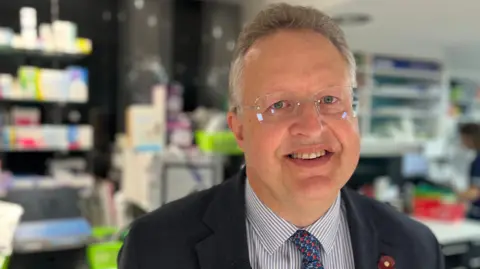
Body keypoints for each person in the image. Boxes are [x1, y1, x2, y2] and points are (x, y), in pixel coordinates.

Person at [118, 3, 444, 269]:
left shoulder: (416, 249)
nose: (312, 126)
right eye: (279, 104)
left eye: (330, 100)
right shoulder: (157, 249)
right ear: (239, 128)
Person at [456, 123, 480, 219]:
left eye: (462, 138)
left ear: (469, 138)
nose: (462, 142)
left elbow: (475, 193)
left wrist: (453, 196)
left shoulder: (478, 161)